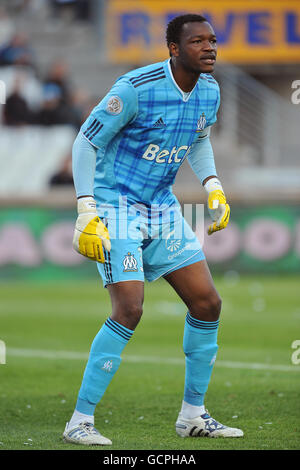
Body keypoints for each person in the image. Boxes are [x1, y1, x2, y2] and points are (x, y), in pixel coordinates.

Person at [63, 13, 243, 445]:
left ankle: (193, 416)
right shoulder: (135, 88)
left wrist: (213, 185)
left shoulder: (210, 92)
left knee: (207, 303)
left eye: (213, 40)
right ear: (174, 49)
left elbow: (197, 138)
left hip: (161, 207)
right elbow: (86, 142)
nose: (209, 48)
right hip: (115, 204)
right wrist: (87, 208)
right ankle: (79, 422)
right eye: (198, 41)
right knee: (130, 308)